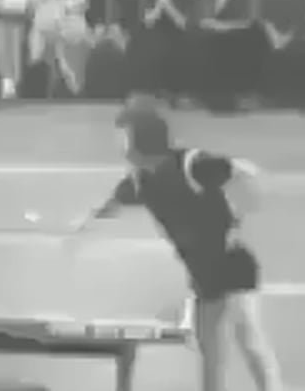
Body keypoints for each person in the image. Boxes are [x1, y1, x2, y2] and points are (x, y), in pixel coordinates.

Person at [76, 94, 283, 391]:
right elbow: (112, 204)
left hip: (232, 261)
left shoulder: (190, 165)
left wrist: (243, 216)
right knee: (210, 350)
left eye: (124, 136)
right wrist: (83, 228)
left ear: (141, 139)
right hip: (202, 271)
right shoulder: (140, 182)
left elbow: (242, 172)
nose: (120, 144)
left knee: (246, 333)